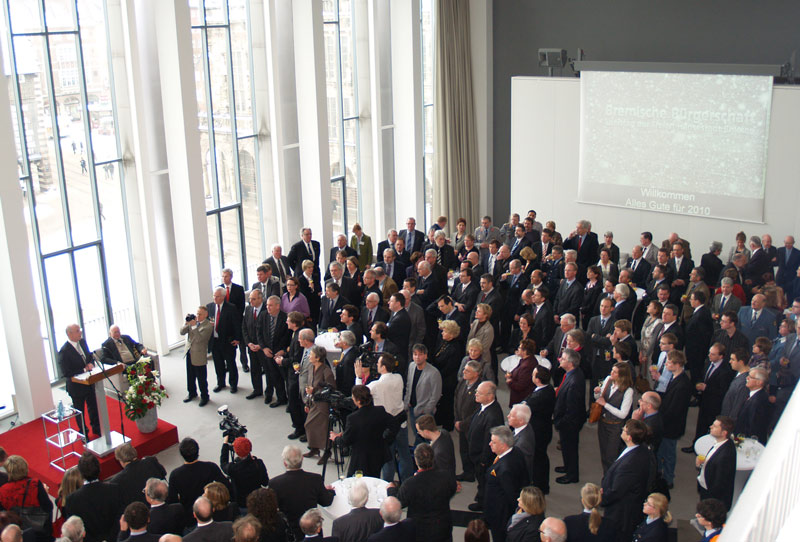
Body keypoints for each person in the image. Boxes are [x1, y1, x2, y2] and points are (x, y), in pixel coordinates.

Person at [387, 444, 456, 542]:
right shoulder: (446, 477)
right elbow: (452, 489)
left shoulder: (410, 484)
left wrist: (391, 489)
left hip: (420, 531)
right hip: (443, 527)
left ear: (416, 461)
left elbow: (397, 503)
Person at [601, 420, 654, 542]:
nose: (622, 430)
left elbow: (617, 490)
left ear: (629, 437)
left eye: (624, 430)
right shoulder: (639, 449)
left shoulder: (630, 464)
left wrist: (602, 498)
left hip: (620, 512)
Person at [268, 446, 335, 540]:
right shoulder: (315, 479)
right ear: (302, 459)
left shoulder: (274, 483)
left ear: (285, 463)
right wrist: (330, 491)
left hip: (290, 531)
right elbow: (326, 501)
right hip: (313, 528)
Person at [330, 385, 394, 477]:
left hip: (361, 458)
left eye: (353, 397)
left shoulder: (352, 418)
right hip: (378, 454)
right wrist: (386, 439)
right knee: (374, 478)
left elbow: (345, 441)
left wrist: (335, 438)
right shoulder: (380, 410)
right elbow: (393, 424)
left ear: (358, 401)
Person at [167, 438, 230, 527]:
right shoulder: (210, 467)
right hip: (212, 512)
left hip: (190, 518)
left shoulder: (175, 475)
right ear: (198, 451)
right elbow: (225, 485)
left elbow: (173, 502)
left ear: (181, 454)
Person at [483, 427, 529, 542]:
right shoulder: (516, 452)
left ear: (503, 445)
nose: (490, 444)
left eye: (493, 442)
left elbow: (511, 495)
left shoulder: (505, 469)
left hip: (500, 514)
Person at [63, 452, 122, 542]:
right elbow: (120, 518)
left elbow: (76, 530)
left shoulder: (72, 500)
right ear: (99, 469)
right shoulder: (114, 490)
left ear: (80, 474)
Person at [656, 351, 693, 488]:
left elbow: (674, 409)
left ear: (677, 365)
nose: (666, 364)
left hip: (671, 426)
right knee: (662, 451)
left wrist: (660, 418)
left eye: (669, 362)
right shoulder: (675, 378)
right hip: (668, 423)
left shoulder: (682, 384)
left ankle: (668, 479)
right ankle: (660, 473)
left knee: (669, 453)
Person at [465, 382, 505, 510]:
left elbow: (489, 441)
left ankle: (483, 503)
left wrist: (483, 460)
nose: (476, 394)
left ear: (490, 396)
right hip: (476, 454)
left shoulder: (493, 416)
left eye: (479, 393)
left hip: (482, 459)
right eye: (476, 391)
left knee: (484, 481)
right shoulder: (484, 407)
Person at [58, 324, 101, 437]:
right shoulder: (64, 351)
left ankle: (96, 429)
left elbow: (89, 356)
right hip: (76, 387)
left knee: (93, 407)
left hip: (89, 382)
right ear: (70, 334)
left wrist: (91, 363)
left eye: (80, 330)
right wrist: (84, 369)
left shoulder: (82, 342)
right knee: (79, 411)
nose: (80, 332)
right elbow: (66, 372)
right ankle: (83, 433)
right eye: (77, 331)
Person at [593, 362, 635, 473]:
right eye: (612, 370)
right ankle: (606, 475)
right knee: (603, 453)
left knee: (611, 456)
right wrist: (597, 393)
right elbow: (600, 398)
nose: (611, 373)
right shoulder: (608, 380)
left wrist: (605, 405)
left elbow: (623, 414)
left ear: (622, 376)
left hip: (615, 427)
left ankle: (611, 476)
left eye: (615, 372)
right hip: (603, 423)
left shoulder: (628, 391)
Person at [553, 349, 586, 484]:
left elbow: (572, 409)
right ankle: (567, 467)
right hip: (568, 420)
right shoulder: (571, 374)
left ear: (571, 363)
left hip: (570, 423)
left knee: (570, 448)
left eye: (563, 358)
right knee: (566, 448)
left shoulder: (574, 381)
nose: (560, 359)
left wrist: (560, 422)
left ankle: (572, 475)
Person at [0, 455, 53, 540]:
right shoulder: (35, 484)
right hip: (41, 529)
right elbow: (48, 507)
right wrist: (45, 493)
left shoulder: (3, 490)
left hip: (19, 532)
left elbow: (4, 515)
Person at [303, 345, 337, 462]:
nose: (309, 356)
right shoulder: (311, 368)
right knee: (309, 425)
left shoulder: (326, 371)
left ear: (317, 358)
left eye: (311, 354)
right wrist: (308, 403)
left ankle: (327, 450)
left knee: (323, 428)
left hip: (323, 404)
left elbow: (331, 388)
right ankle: (314, 447)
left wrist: (315, 391)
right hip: (314, 401)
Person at [403, 344, 442, 445]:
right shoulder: (411, 366)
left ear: (426, 356)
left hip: (424, 411)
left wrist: (427, 410)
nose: (417, 357)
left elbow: (436, 395)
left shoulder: (434, 373)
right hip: (412, 408)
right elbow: (409, 385)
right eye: (415, 354)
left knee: (426, 437)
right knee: (417, 433)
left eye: (420, 354)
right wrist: (406, 402)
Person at [525, 366, 555, 494]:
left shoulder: (539, 396)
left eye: (533, 374)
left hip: (539, 431)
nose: (531, 376)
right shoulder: (547, 389)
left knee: (538, 459)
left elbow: (527, 406)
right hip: (544, 428)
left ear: (537, 379)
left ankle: (540, 485)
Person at [696, 416, 736, 510]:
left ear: (724, 433)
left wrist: (709, 503)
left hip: (711, 498)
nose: (711, 427)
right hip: (707, 489)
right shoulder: (721, 444)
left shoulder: (725, 456)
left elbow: (718, 484)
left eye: (715, 426)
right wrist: (702, 464)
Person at [207, 286, 242, 393]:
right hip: (215, 341)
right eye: (214, 296)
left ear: (223, 297)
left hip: (228, 341)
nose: (215, 298)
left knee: (230, 364)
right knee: (218, 364)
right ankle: (220, 383)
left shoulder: (231, 308)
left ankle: (233, 384)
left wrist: (237, 338)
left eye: (217, 296)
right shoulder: (209, 307)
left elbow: (236, 324)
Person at [258, 296, 291, 408]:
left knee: (286, 378)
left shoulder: (285, 318)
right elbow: (259, 333)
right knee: (274, 377)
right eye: (267, 305)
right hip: (268, 353)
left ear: (278, 306)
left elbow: (289, 337)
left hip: (281, 354)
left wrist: (283, 351)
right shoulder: (263, 315)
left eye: (270, 305)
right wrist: (264, 348)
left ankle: (291, 402)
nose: (268, 307)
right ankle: (281, 398)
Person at [109, 443, 167, 507]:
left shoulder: (116, 481)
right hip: (161, 502)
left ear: (121, 461)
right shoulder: (151, 461)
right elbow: (163, 474)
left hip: (139, 510)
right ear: (134, 452)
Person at [454, 360, 483, 483]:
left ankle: (475, 473)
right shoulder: (462, 382)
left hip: (471, 427)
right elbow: (456, 399)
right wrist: (457, 419)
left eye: (467, 371)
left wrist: (463, 424)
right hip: (460, 423)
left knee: (472, 451)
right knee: (464, 450)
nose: (464, 372)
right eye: (464, 369)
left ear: (476, 374)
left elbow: (478, 411)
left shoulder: (481, 389)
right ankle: (468, 472)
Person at [220, 437, 269, 508]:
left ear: (235, 451)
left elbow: (223, 463)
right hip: (257, 500)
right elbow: (265, 482)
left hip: (241, 503)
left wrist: (225, 444)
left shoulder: (233, 468)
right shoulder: (258, 463)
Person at [432, 320, 462, 429]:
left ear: (451, 334)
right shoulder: (443, 341)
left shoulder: (455, 348)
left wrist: (436, 375)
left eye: (444, 331)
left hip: (448, 379)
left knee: (447, 402)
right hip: (440, 375)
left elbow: (450, 367)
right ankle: (439, 418)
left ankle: (448, 423)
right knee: (440, 401)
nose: (442, 333)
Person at [181, 306, 214, 406]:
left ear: (206, 315)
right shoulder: (193, 322)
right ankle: (192, 393)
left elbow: (200, 339)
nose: (198, 316)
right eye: (197, 313)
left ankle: (205, 396)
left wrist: (194, 326)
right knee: (190, 376)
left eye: (200, 314)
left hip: (199, 355)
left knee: (201, 378)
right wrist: (187, 323)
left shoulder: (208, 326)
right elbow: (182, 332)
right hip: (190, 352)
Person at [733, 367, 770, 444]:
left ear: (759, 382)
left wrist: (741, 442)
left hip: (747, 442)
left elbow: (753, 426)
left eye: (750, 377)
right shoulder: (752, 395)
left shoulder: (758, 400)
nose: (747, 378)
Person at [507, 404, 536, 485]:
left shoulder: (522, 444)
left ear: (521, 421)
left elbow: (518, 468)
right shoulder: (525, 426)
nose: (508, 416)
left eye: (512, 416)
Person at [505, 338, 538, 406]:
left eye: (519, 348)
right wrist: (511, 375)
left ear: (525, 351)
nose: (518, 349)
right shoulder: (526, 360)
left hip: (521, 397)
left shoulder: (527, 366)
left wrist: (509, 381)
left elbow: (520, 386)